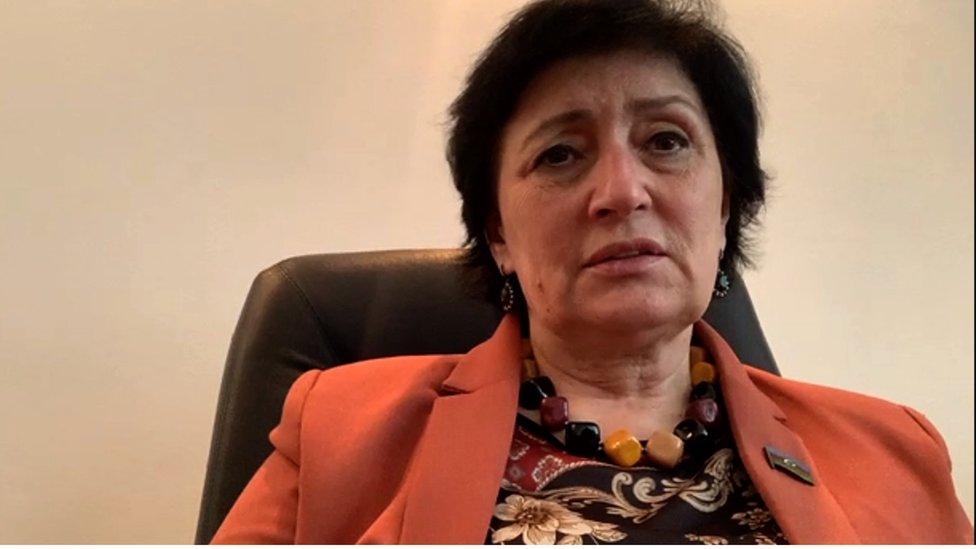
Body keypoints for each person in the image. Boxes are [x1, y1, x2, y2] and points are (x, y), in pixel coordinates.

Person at [211, 0, 972, 544]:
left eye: (666, 140)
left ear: (725, 203)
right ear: (499, 234)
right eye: (560, 154)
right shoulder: (340, 429)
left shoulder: (895, 452)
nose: (622, 191)